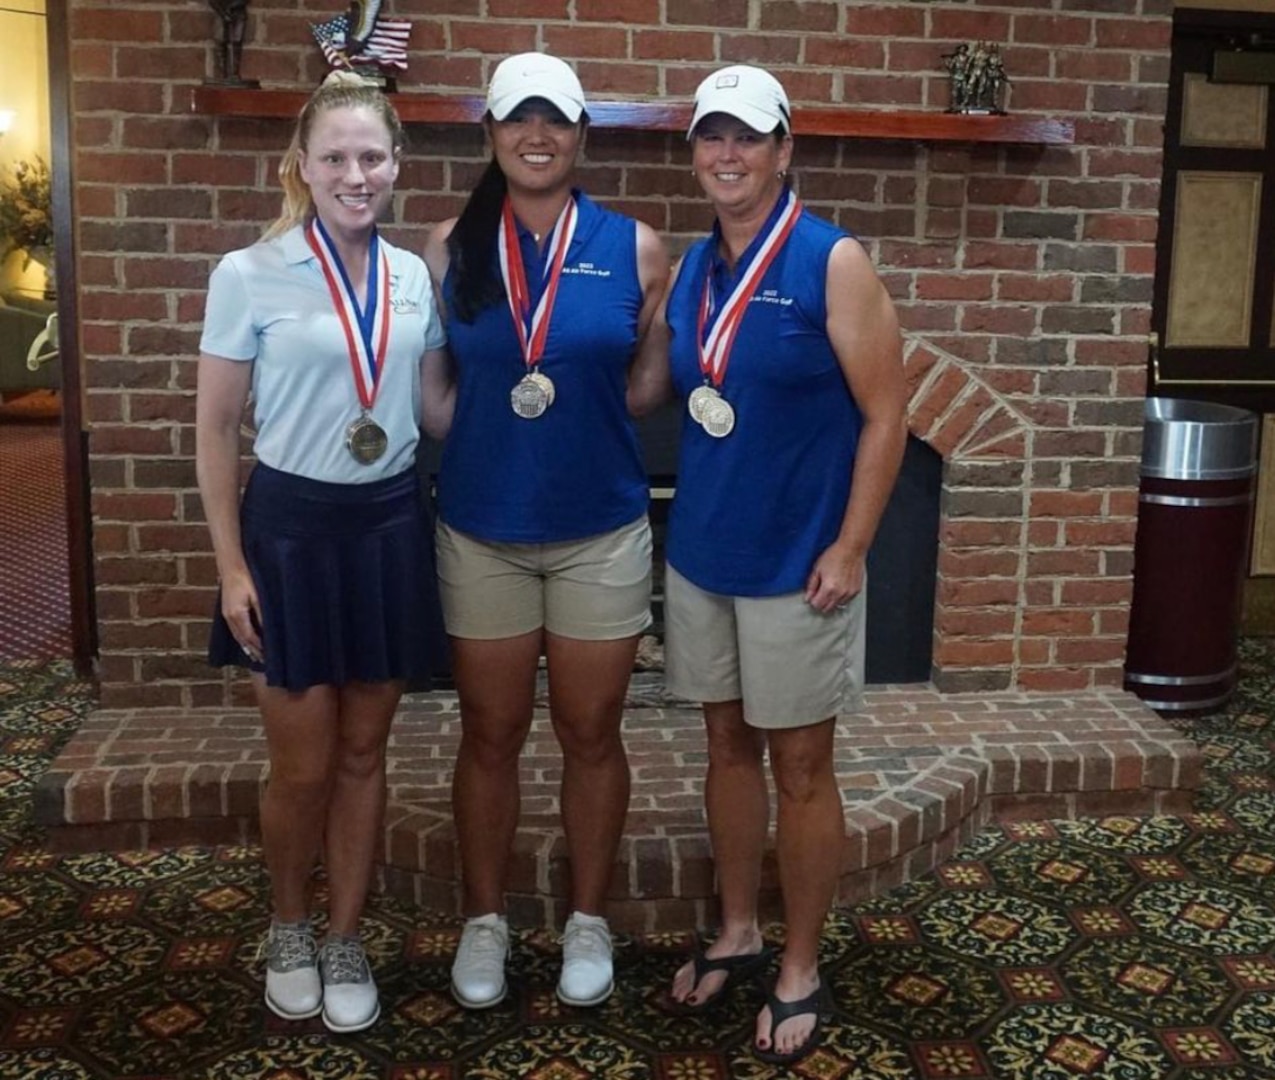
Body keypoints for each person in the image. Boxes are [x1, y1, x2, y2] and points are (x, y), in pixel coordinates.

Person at [628, 65, 907, 1065]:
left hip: (802, 566)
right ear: (695, 150)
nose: (727, 153)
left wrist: (852, 545)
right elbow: (656, 392)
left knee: (801, 768)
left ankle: (800, 965)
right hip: (706, 557)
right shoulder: (698, 271)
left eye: (748, 136)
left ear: (784, 150)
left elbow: (888, 414)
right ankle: (739, 931)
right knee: (726, 753)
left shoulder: (833, 261)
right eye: (712, 135)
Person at [195, 71, 450, 1034]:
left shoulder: (409, 276)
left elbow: (429, 412)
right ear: (300, 165)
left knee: (363, 752)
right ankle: (291, 924)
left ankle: (346, 935)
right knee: (300, 764)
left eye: (372, 156)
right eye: (335, 156)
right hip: (289, 531)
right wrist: (231, 567)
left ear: (395, 166)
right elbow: (216, 431)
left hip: (387, 524)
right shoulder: (248, 273)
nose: (356, 174)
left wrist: (535, 396)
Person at [422, 52, 668, 1010]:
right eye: (517, 120)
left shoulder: (636, 245)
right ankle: (484, 921)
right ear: (488, 133)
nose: (536, 135)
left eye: (554, 120)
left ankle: (586, 920)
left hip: (599, 528)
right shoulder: (449, 246)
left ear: (580, 135)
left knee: (590, 732)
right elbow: (434, 392)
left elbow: (646, 383)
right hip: (481, 525)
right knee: (488, 731)